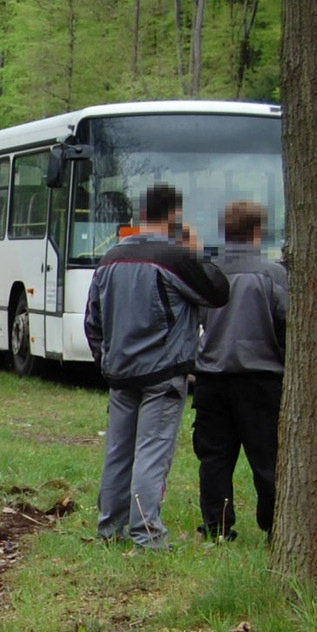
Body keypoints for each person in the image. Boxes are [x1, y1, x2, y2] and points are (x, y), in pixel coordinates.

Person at [84, 183, 230, 548]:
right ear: (175, 215)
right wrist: (196, 250)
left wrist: (106, 359)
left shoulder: (110, 258)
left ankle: (109, 529)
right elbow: (217, 291)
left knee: (118, 452)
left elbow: (93, 320)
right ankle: (146, 533)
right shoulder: (174, 257)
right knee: (151, 453)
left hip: (120, 372)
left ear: (139, 214)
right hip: (163, 374)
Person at [192, 200, 288, 542]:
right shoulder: (273, 274)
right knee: (267, 457)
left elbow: (198, 321)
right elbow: (285, 321)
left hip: (212, 377)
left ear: (224, 230)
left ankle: (217, 526)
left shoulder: (209, 272)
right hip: (261, 377)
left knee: (214, 457)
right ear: (257, 231)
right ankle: (274, 526)